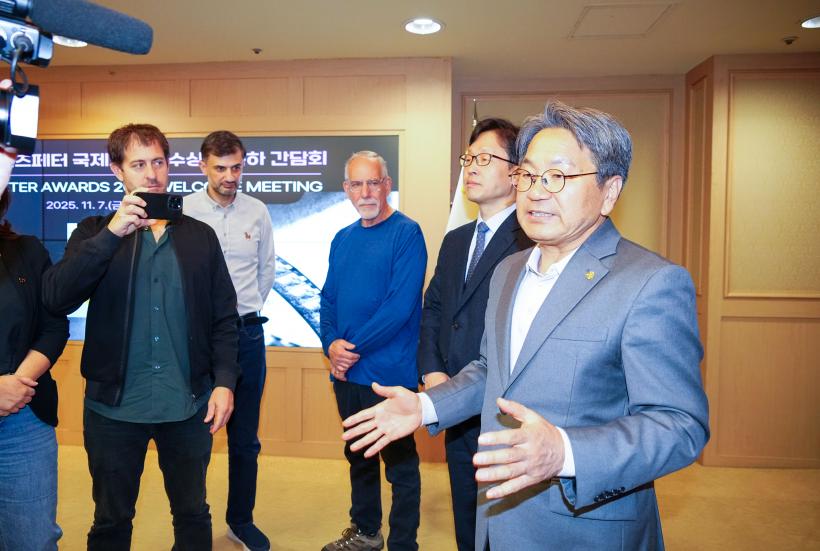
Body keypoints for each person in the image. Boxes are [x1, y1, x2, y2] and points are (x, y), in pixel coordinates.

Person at [342, 101, 710, 550]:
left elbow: (680, 426)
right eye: (529, 176)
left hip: (583, 529)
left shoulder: (650, 282)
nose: (536, 192)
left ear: (610, 191)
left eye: (557, 176)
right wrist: (426, 407)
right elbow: (490, 370)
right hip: (496, 514)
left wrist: (565, 451)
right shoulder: (509, 270)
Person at [42, 123, 240, 551]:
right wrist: (112, 234)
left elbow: (225, 319)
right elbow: (56, 297)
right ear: (118, 171)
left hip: (188, 406)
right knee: (111, 522)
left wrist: (225, 382)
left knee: (192, 515)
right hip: (113, 410)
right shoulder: (94, 231)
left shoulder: (200, 237)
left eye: (158, 162)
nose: (151, 174)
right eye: (138, 164)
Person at [417, 118, 532, 551]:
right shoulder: (456, 240)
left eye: (485, 158)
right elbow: (435, 310)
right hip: (453, 401)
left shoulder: (531, 240)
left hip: (503, 408)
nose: (471, 167)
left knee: (505, 522)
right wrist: (432, 373)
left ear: (516, 172)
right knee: (466, 515)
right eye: (469, 158)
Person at [320, 151, 427, 551]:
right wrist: (330, 345)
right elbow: (328, 299)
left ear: (387, 185)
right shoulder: (342, 238)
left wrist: (350, 350)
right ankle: (366, 532)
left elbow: (399, 308)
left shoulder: (407, 233)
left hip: (388, 376)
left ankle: (403, 544)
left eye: (373, 182)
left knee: (400, 465)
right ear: (346, 189)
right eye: (356, 184)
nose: (365, 192)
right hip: (348, 374)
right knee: (358, 455)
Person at [185, 130, 276, 551]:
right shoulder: (185, 210)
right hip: (197, 338)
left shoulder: (257, 211)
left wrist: (243, 313)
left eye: (236, 167)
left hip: (247, 335)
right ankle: (193, 525)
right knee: (195, 438)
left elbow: (266, 271)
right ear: (203, 166)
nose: (229, 176)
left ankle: (241, 520)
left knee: (245, 439)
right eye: (220, 168)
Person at [0, 141, 69, 550]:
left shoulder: (26, 250)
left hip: (24, 420)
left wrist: (17, 384)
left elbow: (53, 326)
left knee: (33, 539)